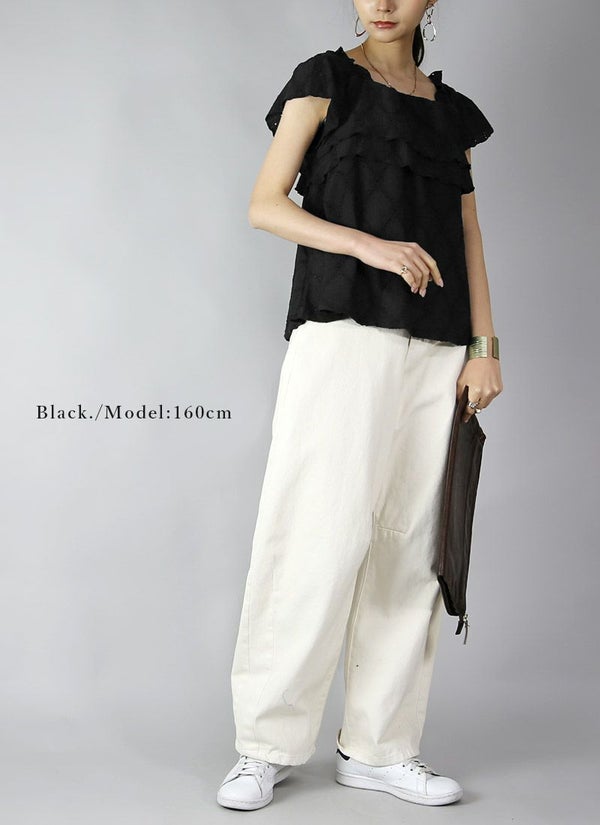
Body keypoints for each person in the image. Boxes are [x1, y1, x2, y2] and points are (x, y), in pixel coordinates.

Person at [217, 0, 503, 811]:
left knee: (410, 549)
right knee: (315, 531)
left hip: (438, 346)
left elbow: (467, 232)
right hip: (343, 332)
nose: (381, 3)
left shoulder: (451, 114)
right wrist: (367, 245)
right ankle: (265, 744)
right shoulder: (324, 81)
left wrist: (485, 345)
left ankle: (380, 747)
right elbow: (266, 203)